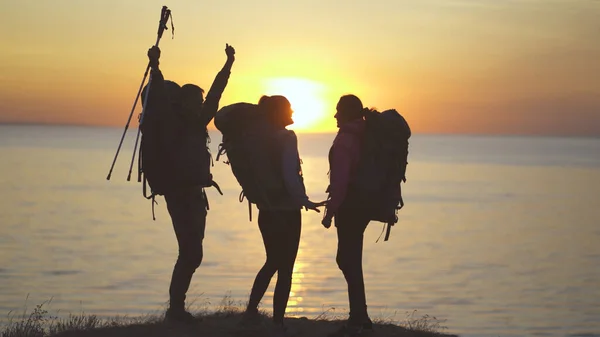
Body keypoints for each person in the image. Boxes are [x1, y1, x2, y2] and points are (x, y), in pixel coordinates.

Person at [142, 43, 236, 323]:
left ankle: (176, 309)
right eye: (196, 101)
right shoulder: (172, 122)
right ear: (183, 103)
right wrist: (155, 66)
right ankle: (175, 311)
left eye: (200, 101)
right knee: (191, 252)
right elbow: (157, 95)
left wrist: (229, 64)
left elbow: (216, 93)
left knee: (193, 251)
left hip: (195, 194)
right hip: (180, 194)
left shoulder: (198, 122)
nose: (201, 105)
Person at [240, 95, 325, 335]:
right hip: (286, 212)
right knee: (286, 267)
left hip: (266, 210)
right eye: (288, 108)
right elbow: (290, 173)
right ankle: (277, 322)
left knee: (271, 262)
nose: (293, 111)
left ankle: (250, 313)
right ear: (278, 112)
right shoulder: (286, 138)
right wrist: (303, 200)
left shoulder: (259, 139)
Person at [322, 94, 374, 337]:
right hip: (363, 204)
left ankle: (357, 319)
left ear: (347, 113)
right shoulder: (366, 133)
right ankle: (361, 316)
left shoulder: (345, 140)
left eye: (338, 110)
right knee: (351, 259)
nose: (335, 115)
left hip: (350, 206)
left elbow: (340, 183)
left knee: (347, 260)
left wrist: (329, 212)